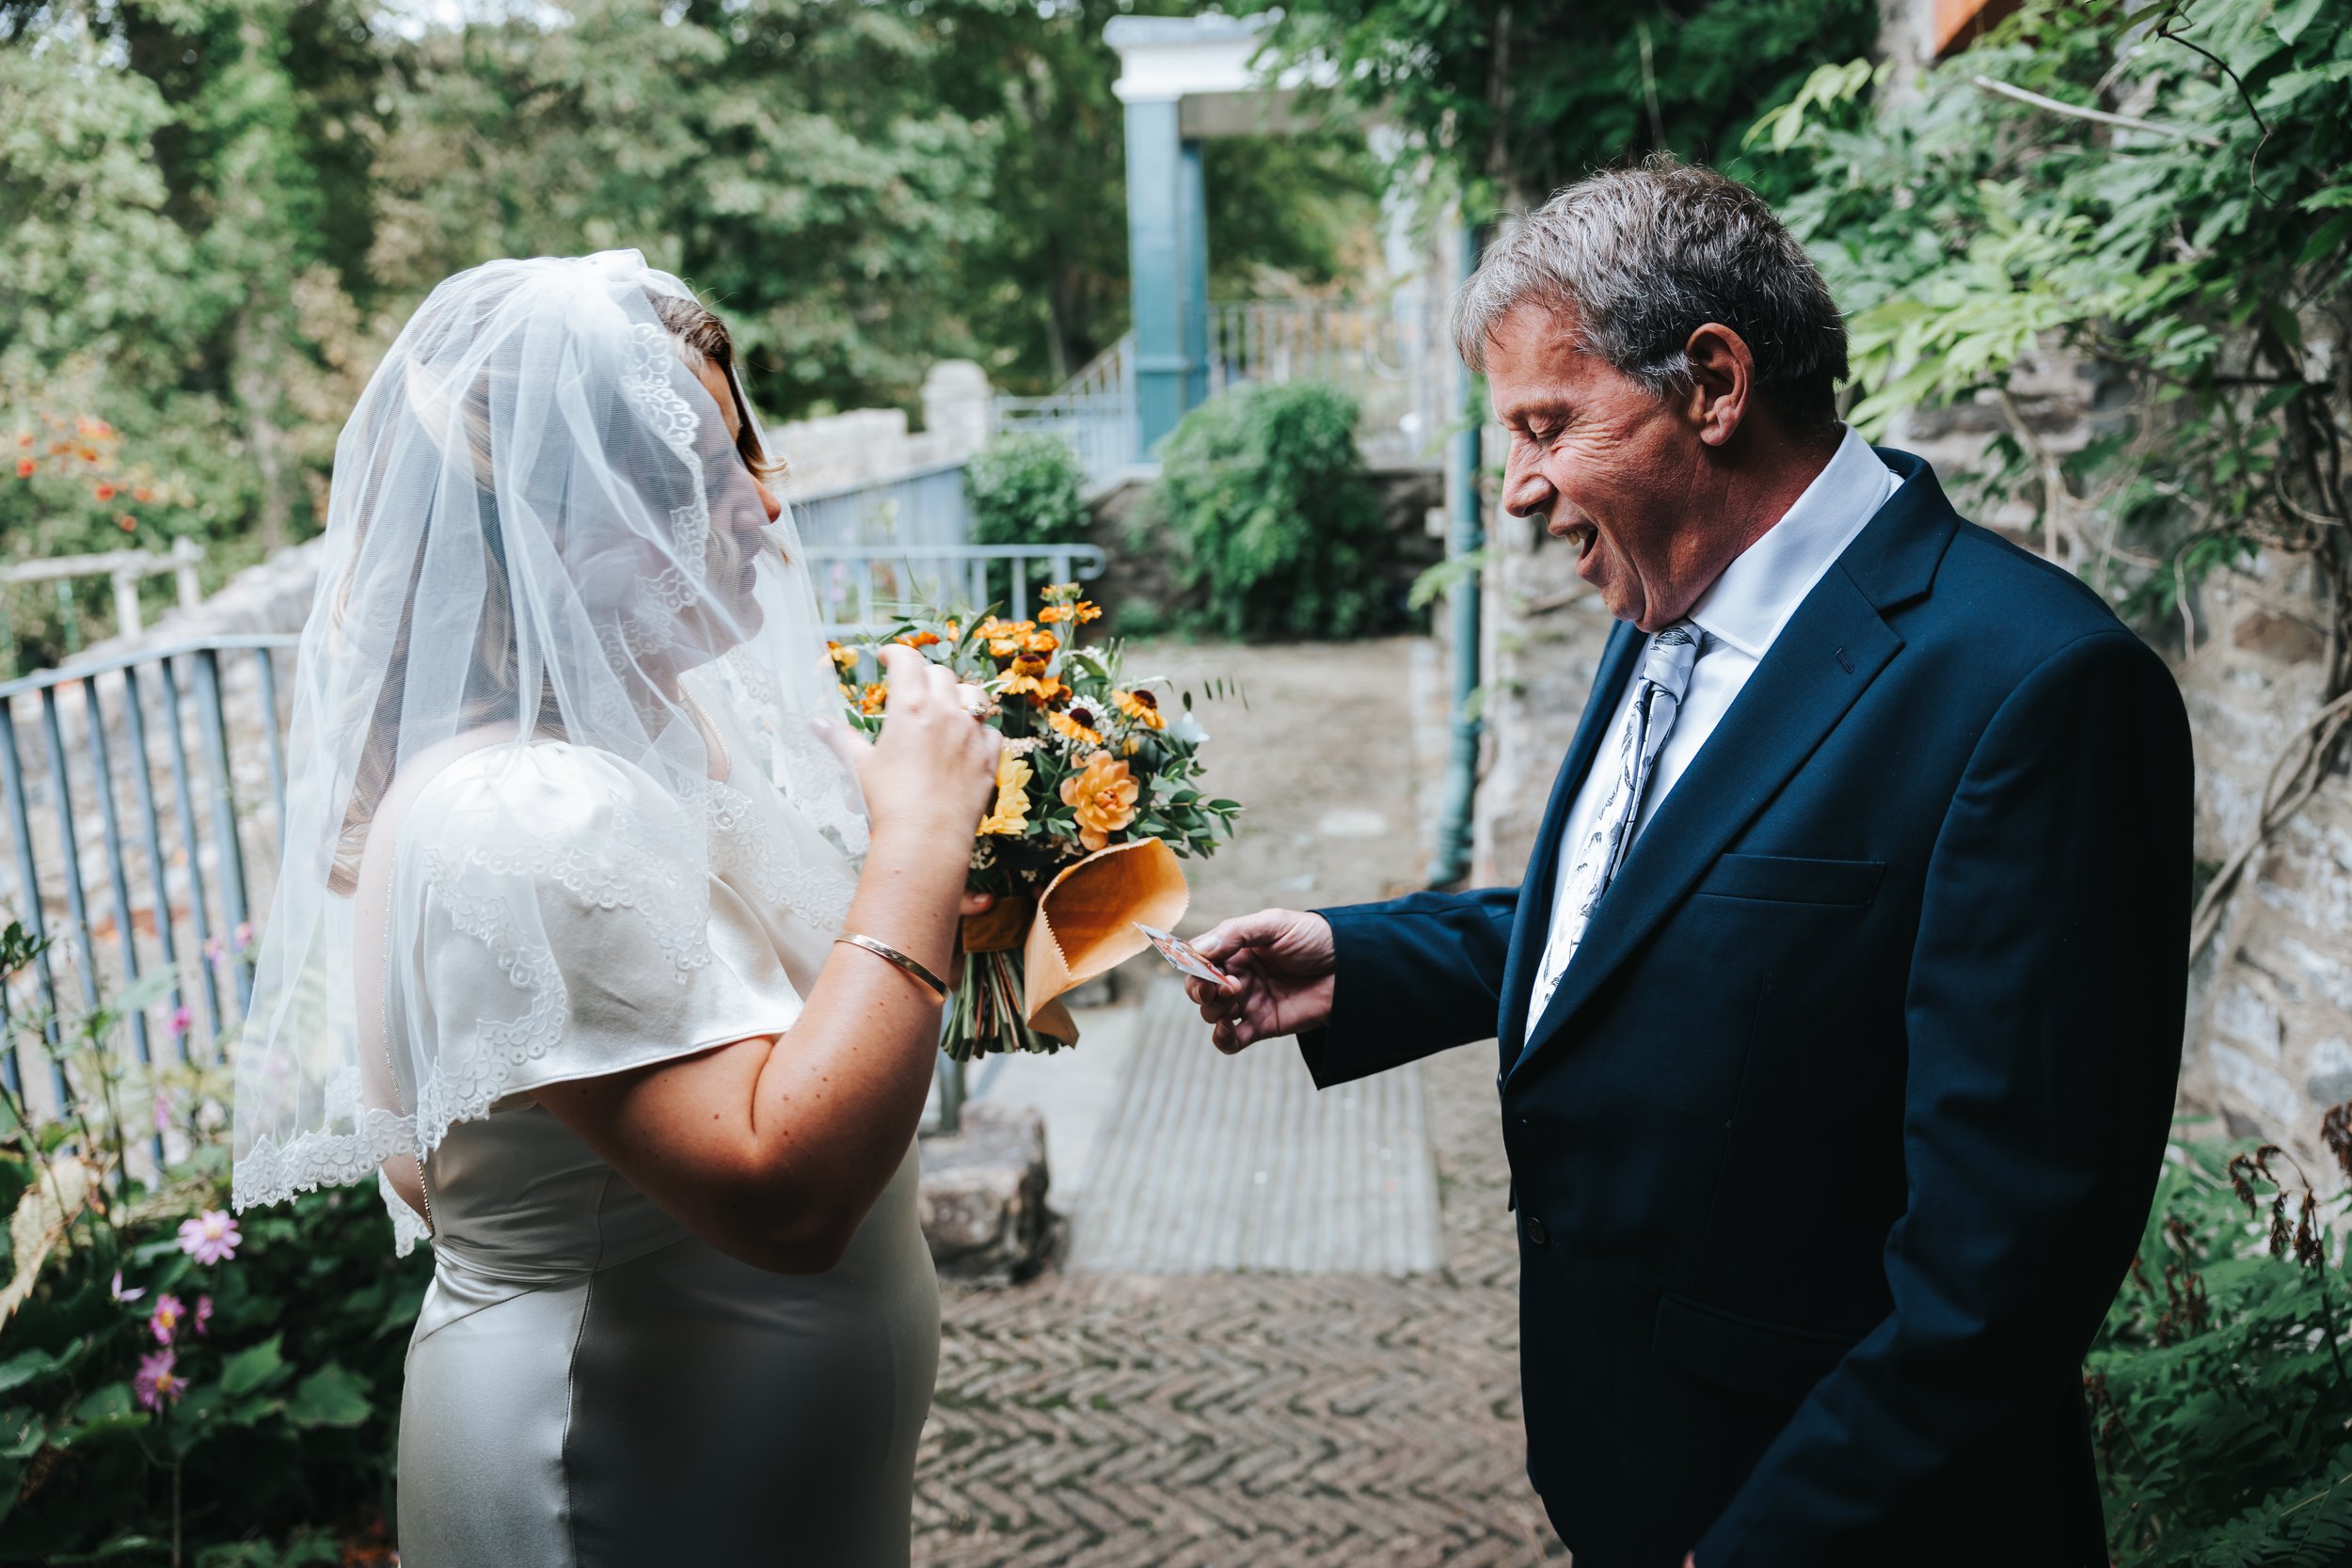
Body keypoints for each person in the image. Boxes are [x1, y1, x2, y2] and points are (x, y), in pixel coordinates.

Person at [1185, 159, 2193, 1566]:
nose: (1522, 491)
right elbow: (1659, 918)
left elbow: (2005, 1265)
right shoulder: (1673, 597)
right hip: (1631, 1467)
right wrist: (1368, 962)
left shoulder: (2037, 689)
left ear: (1712, 386)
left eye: (1548, 426)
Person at [230, 251, 998, 1565]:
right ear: (550, 526)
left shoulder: (665, 735)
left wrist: (936, 891)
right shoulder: (517, 810)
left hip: (745, 1478)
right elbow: (785, 1197)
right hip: (610, 1475)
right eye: (711, 474)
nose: (769, 503)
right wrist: (916, 849)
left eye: (752, 451)